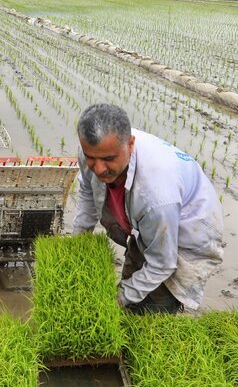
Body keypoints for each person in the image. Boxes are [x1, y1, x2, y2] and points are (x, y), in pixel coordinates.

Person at [72, 103, 224, 314]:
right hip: (153, 217)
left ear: (130, 144)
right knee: (134, 273)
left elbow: (162, 264)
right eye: (91, 157)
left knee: (158, 304)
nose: (98, 168)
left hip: (189, 225)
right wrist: (78, 240)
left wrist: (118, 298)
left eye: (108, 159)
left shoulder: (156, 194)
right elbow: (88, 190)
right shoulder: (92, 149)